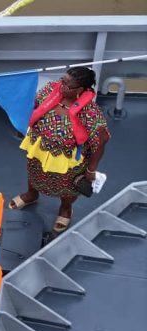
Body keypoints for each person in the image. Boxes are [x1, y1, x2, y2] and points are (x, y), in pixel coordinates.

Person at [9, 66, 110, 233]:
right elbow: (33, 104)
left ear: (80, 90)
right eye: (62, 80)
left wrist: (91, 170)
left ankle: (65, 208)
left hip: (67, 159)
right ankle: (32, 194)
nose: (61, 85)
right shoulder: (51, 89)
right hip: (40, 148)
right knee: (34, 171)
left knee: (68, 186)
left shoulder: (90, 113)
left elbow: (101, 141)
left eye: (67, 85)